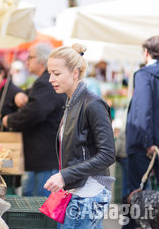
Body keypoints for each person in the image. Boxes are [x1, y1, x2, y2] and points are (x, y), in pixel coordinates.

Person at [44, 43, 115, 228]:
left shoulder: (93, 104)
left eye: (56, 73)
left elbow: (107, 154)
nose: (51, 79)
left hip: (88, 195)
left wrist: (64, 175)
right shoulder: (71, 102)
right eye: (50, 73)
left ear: (75, 73)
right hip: (77, 192)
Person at [2, 43, 66, 197]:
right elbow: (33, 99)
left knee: (39, 206)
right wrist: (19, 95)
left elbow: (34, 112)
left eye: (30, 57)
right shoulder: (44, 81)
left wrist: (9, 120)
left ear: (42, 61)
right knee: (32, 200)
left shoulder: (46, 82)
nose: (27, 61)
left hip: (43, 156)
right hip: (40, 156)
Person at [124, 36, 159, 229]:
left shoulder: (144, 74)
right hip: (152, 142)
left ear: (146, 53)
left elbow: (144, 109)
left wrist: (147, 142)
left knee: (137, 193)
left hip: (144, 144)